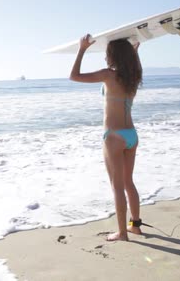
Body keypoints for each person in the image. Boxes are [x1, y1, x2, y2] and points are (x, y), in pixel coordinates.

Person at [69, 35, 143, 241]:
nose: (105, 57)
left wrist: (82, 48)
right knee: (129, 183)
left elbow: (74, 76)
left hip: (114, 136)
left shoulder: (108, 75)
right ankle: (135, 226)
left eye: (107, 53)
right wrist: (135, 52)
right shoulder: (134, 76)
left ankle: (122, 233)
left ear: (114, 56)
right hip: (131, 135)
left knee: (117, 186)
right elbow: (132, 64)